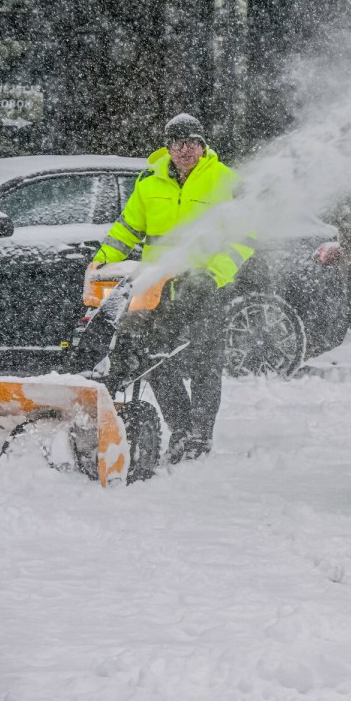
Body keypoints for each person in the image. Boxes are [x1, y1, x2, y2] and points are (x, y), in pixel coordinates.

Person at [91, 113, 254, 463]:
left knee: (205, 365)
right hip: (157, 289)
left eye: (193, 142)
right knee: (155, 359)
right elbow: (126, 231)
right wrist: (100, 263)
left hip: (206, 287)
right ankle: (180, 428)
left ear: (203, 144)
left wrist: (214, 275)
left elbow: (243, 239)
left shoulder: (226, 181)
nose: (186, 150)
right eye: (178, 143)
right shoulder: (149, 182)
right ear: (167, 147)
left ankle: (200, 436)